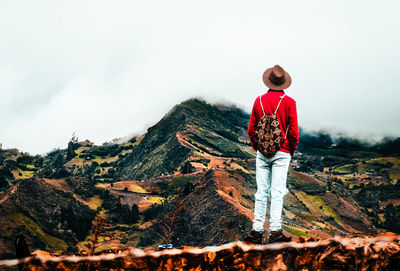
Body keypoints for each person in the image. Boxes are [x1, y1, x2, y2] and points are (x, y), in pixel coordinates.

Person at [244, 65, 299, 244]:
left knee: (261, 192)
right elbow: (294, 133)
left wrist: (257, 146)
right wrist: (289, 150)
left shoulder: (259, 100)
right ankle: (275, 231)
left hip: (262, 153)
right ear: (284, 83)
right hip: (282, 152)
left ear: (268, 81)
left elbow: (251, 129)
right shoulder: (289, 102)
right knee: (277, 191)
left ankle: (256, 231)